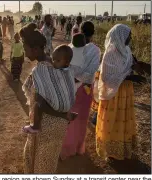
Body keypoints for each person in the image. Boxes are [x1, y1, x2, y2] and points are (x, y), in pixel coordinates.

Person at [20, 23, 77, 173]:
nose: (25, 54)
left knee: (39, 166)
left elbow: (42, 104)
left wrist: (65, 115)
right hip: (57, 125)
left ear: (36, 49)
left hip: (48, 126)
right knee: (46, 163)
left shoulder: (41, 70)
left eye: (26, 50)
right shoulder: (54, 63)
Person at [96, 24, 146, 161]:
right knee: (113, 120)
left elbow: (129, 65)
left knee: (123, 118)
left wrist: (138, 67)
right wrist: (129, 77)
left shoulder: (127, 50)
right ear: (120, 36)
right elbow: (106, 77)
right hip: (114, 95)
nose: (131, 37)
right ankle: (111, 150)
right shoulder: (110, 54)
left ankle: (123, 148)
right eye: (128, 35)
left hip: (125, 92)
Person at [60, 21, 101, 160]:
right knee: (82, 119)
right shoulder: (95, 50)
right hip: (85, 89)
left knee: (70, 119)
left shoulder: (71, 46)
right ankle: (77, 147)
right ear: (93, 32)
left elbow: (65, 68)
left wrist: (74, 78)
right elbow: (91, 73)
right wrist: (81, 79)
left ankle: (67, 148)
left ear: (80, 31)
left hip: (70, 88)